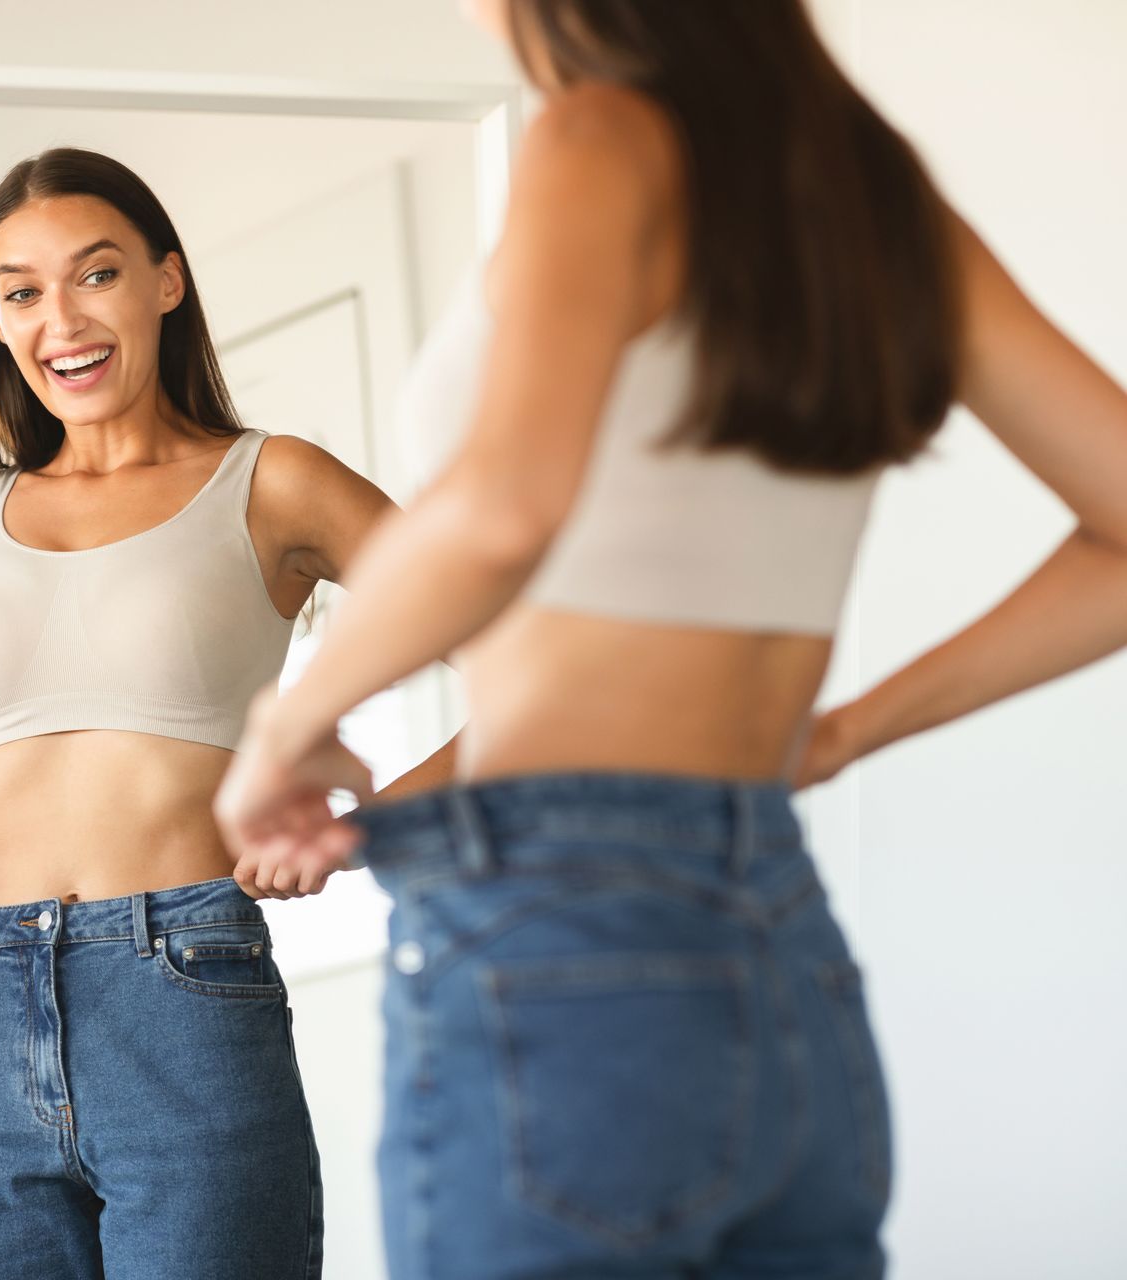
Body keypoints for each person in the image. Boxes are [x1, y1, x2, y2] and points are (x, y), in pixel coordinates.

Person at [213, 3, 1127, 1277]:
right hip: (779, 925)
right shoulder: (874, 198)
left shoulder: (602, 137)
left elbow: (502, 510)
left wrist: (287, 727)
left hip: (563, 919)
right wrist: (848, 730)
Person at [0, 146, 456, 1279]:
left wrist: (367, 823)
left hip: (181, 991)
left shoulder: (272, 480)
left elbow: (541, 668)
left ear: (166, 282)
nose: (60, 319)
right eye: (20, 290)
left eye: (95, 274)